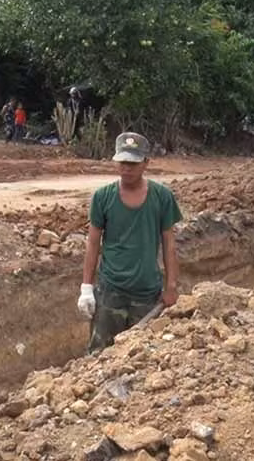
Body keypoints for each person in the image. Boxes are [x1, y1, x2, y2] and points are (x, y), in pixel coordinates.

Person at [77, 132, 183, 354]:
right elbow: (93, 243)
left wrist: (171, 286)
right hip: (110, 291)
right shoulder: (102, 197)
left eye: (133, 163)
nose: (127, 169)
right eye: (123, 162)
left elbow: (169, 243)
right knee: (98, 353)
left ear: (146, 163)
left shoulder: (162, 197)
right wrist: (86, 288)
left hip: (146, 293)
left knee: (140, 356)